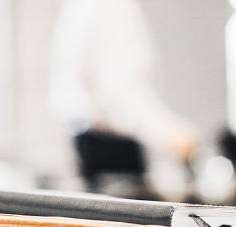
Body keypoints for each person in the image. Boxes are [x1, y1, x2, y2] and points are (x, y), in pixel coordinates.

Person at [49, 0, 199, 196]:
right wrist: (171, 134)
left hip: (91, 146)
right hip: (110, 151)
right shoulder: (111, 6)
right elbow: (119, 91)